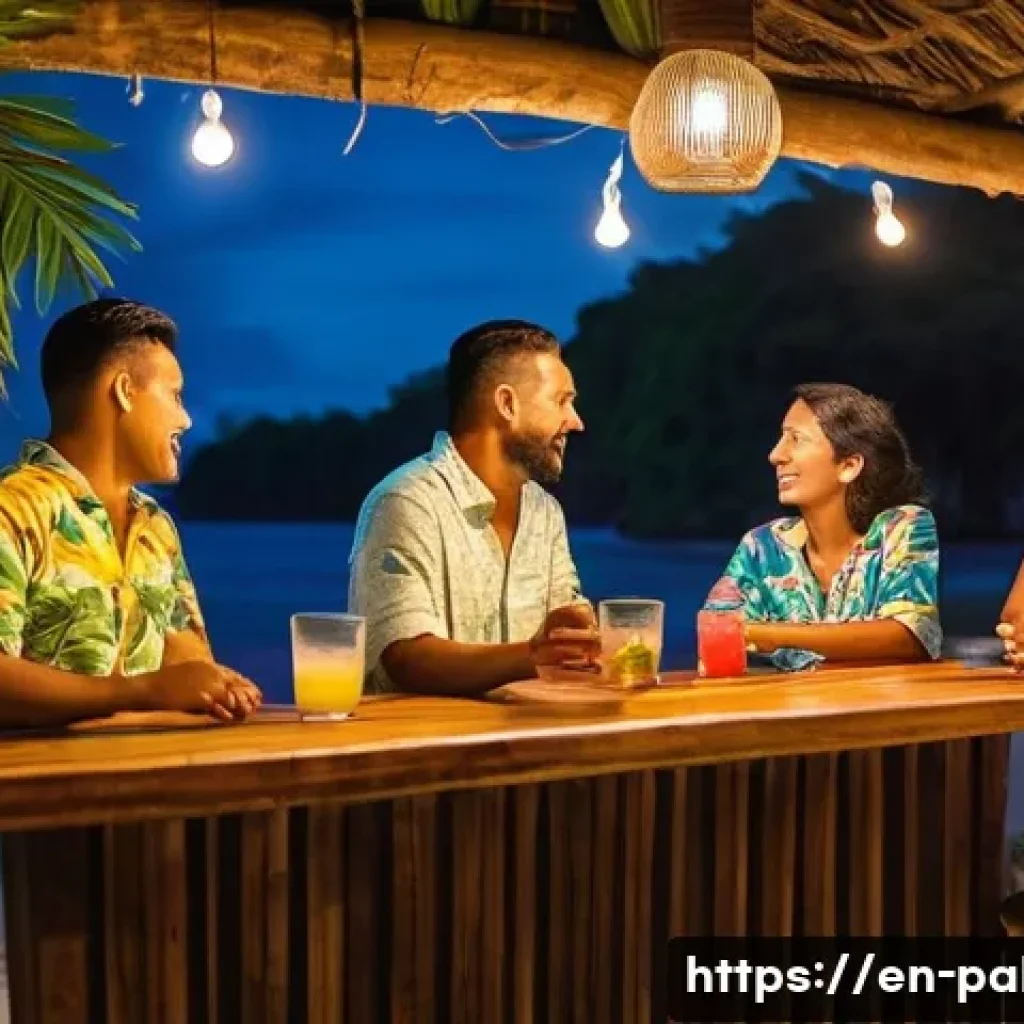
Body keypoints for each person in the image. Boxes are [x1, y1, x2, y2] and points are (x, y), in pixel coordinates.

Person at [0, 298, 261, 727]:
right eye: (175, 396)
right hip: (40, 787)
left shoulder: (155, 526)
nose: (186, 419)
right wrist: (142, 692)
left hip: (155, 778)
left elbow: (186, 664)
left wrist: (221, 688)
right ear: (124, 391)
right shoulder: (16, 509)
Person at [348, 319, 599, 695]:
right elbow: (405, 657)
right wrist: (533, 656)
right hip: (423, 747)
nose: (575, 422)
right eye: (562, 401)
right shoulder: (407, 501)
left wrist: (576, 633)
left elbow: (562, 639)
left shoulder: (544, 513)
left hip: (521, 743)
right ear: (507, 404)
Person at [704, 382, 941, 671]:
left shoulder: (900, 527)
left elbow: (908, 635)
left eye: (796, 439)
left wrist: (765, 635)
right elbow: (714, 634)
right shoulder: (762, 547)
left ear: (848, 466)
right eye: (781, 438)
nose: (776, 455)